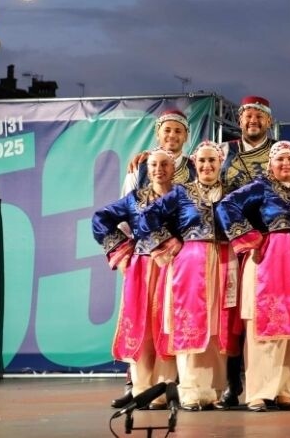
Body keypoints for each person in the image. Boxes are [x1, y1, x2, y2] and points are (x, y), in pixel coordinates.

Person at [137, 141, 241, 410]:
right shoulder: (182, 192)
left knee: (217, 328)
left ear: (220, 164)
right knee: (190, 324)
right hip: (189, 266)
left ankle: (214, 391)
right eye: (202, 161)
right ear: (195, 164)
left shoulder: (230, 192)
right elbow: (147, 217)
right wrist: (169, 243)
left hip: (224, 262)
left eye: (212, 161)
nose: (207, 165)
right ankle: (191, 392)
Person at [217, 140, 290, 412]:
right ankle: (259, 393)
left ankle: (286, 391)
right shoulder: (260, 187)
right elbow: (226, 206)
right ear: (271, 164)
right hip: (269, 260)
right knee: (265, 327)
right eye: (280, 159)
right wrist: (249, 237)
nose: (286, 164)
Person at [112, 109, 196, 409]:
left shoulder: (194, 167)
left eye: (177, 131)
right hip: (146, 258)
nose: (172, 136)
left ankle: (166, 386)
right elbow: (125, 213)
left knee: (169, 321)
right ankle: (136, 385)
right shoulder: (140, 168)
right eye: (166, 131)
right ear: (157, 134)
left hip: (179, 259)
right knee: (141, 319)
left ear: (186, 136)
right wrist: (127, 252)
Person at [93, 149, 179, 410]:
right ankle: (141, 390)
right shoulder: (134, 199)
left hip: (174, 267)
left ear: (173, 168)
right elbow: (101, 218)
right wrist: (121, 252)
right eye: (153, 165)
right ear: (147, 169)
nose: (158, 169)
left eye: (164, 164)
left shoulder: (182, 196)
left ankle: (165, 389)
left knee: (167, 325)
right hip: (142, 268)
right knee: (142, 326)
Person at [216, 95, 276, 408]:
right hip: (230, 244)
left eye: (259, 117)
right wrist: (145, 157)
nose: (253, 121)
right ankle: (231, 383)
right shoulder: (224, 151)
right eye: (248, 116)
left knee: (268, 312)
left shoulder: (282, 154)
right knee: (230, 315)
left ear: (269, 121)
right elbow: (186, 167)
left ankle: (270, 382)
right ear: (240, 120)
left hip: (269, 246)